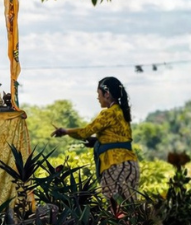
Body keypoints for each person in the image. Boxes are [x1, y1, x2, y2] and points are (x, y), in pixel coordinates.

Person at [52, 76, 140, 206]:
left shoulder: (108, 114)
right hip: (130, 164)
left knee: (115, 205)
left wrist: (65, 131)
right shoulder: (121, 113)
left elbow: (84, 133)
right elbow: (116, 139)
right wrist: (96, 142)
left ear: (107, 94)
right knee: (129, 206)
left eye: (98, 93)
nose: (97, 97)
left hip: (115, 165)